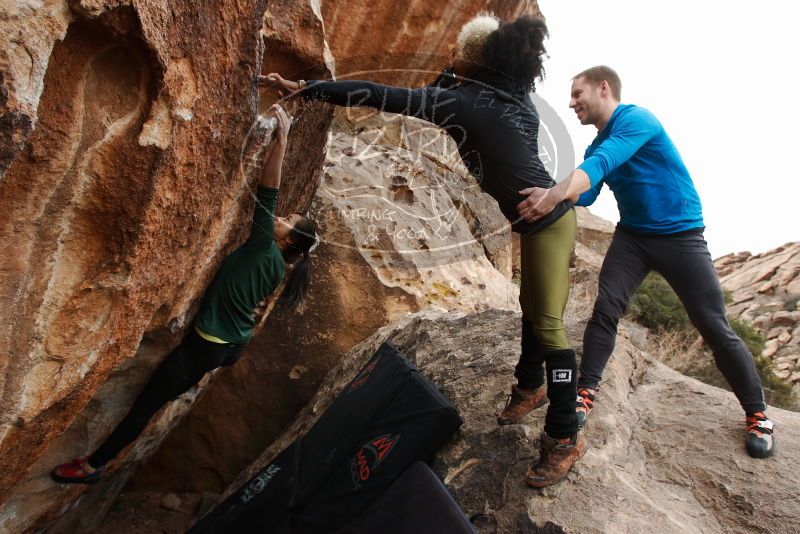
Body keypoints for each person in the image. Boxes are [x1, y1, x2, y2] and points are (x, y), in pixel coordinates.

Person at [263, 14, 585, 487]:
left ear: (473, 60)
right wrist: (457, 75)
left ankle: (563, 435)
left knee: (549, 325)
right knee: (530, 309)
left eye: (458, 52)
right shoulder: (513, 99)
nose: (449, 57)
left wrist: (309, 87)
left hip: (551, 225)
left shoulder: (463, 102)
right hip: (540, 222)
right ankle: (528, 386)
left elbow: (384, 95)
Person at [515, 65, 774, 459]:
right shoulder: (595, 146)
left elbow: (604, 164)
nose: (571, 104)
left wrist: (554, 193)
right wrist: (549, 186)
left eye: (577, 94)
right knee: (605, 308)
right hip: (633, 238)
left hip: (681, 237)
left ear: (604, 88)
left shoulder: (637, 120)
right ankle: (586, 393)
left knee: (713, 324)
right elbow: (587, 193)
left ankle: (757, 414)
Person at [51, 105, 319, 484]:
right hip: (228, 345)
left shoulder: (264, 246)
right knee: (152, 400)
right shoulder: (278, 263)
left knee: (145, 406)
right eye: (284, 216)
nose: (279, 218)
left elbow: (268, 190)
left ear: (289, 238)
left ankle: (94, 466)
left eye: (287, 221)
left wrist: (282, 140)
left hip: (206, 346)